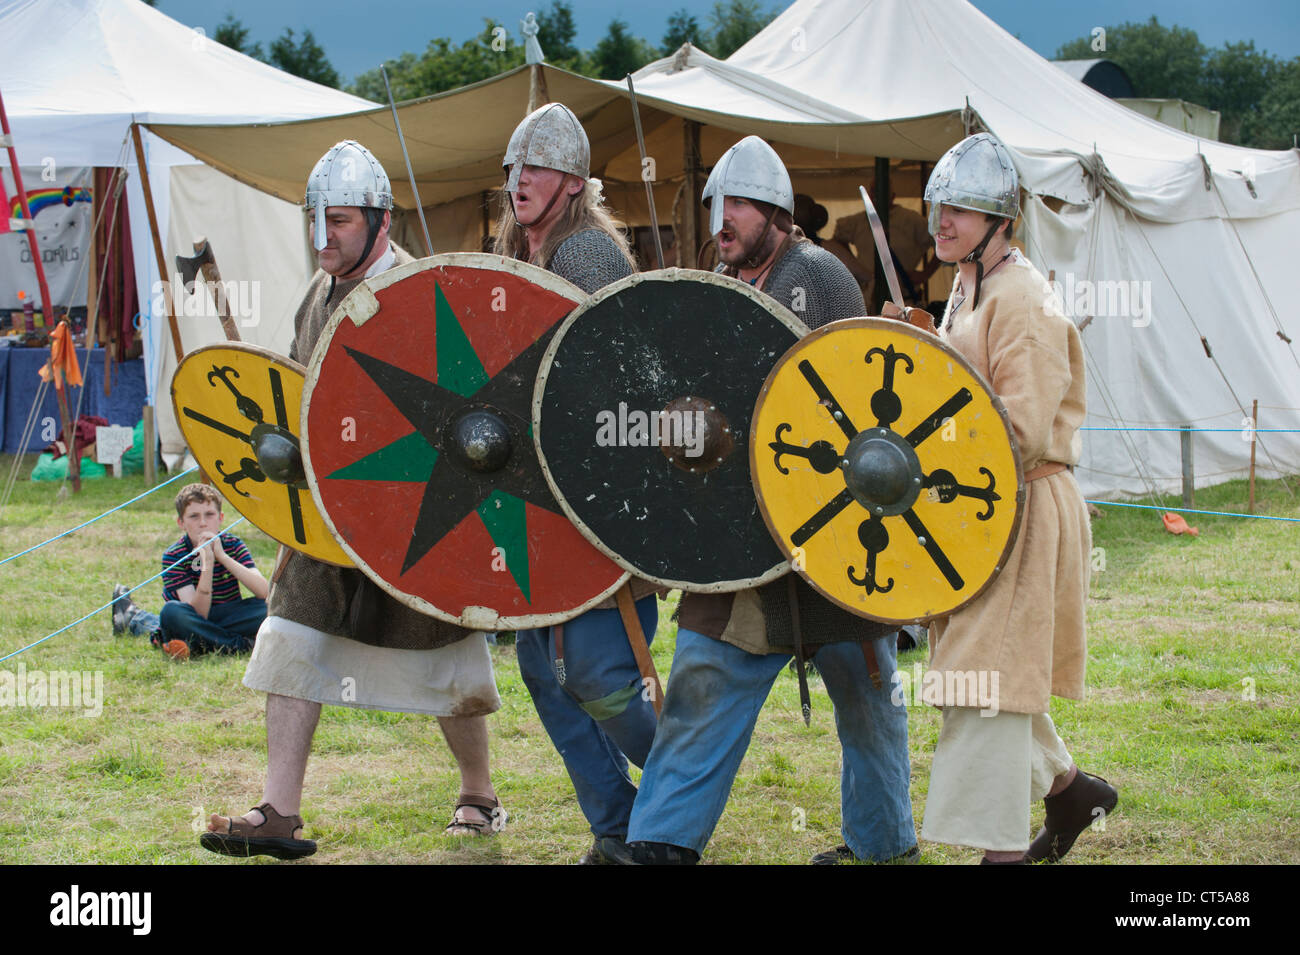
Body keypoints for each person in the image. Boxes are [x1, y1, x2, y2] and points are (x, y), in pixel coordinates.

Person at [611, 136, 917, 865]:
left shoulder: (816, 275)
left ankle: (885, 844)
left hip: (830, 531)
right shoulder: (719, 287)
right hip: (742, 536)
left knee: (868, 694)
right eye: (718, 204)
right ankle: (660, 842)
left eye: (742, 205)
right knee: (704, 677)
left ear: (777, 213)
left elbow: (840, 398)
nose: (725, 218)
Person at [201, 141, 503, 861]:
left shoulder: (421, 293)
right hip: (327, 516)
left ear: (381, 221)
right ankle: (279, 811)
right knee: (290, 636)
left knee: (444, 657)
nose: (322, 236)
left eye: (337, 221)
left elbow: (464, 414)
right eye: (315, 220)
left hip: (414, 516)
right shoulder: (318, 293)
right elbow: (301, 402)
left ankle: (479, 793)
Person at [918, 132, 1117, 864]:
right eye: (942, 207)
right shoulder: (969, 284)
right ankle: (1070, 791)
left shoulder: (1023, 297)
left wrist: (933, 429)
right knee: (983, 669)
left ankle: (999, 857)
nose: (944, 221)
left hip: (1021, 506)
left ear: (1002, 222)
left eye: (963, 210)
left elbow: (1022, 431)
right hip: (981, 509)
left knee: (988, 683)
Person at [492, 103, 663, 865]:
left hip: (595, 497)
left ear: (571, 182)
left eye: (537, 167)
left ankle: (681, 787)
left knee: (596, 667)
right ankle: (616, 824)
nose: (520, 180)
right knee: (541, 665)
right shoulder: (517, 253)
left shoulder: (586, 254)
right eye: (514, 168)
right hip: (533, 496)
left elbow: (615, 377)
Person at [111, 483, 267, 661]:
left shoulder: (233, 544)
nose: (203, 523)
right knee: (171, 613)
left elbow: (264, 592)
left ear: (220, 518)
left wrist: (222, 557)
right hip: (192, 617)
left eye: (209, 515)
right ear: (181, 523)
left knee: (270, 608)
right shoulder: (174, 555)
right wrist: (207, 565)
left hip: (226, 615)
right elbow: (199, 614)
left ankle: (197, 643)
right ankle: (240, 645)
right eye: (194, 516)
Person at [833, 183, 937, 306]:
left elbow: (940, 241)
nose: (876, 196)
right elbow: (837, 242)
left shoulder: (912, 220)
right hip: (867, 298)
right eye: (873, 191)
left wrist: (925, 274)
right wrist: (855, 269)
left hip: (904, 298)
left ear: (893, 196)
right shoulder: (856, 222)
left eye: (881, 191)